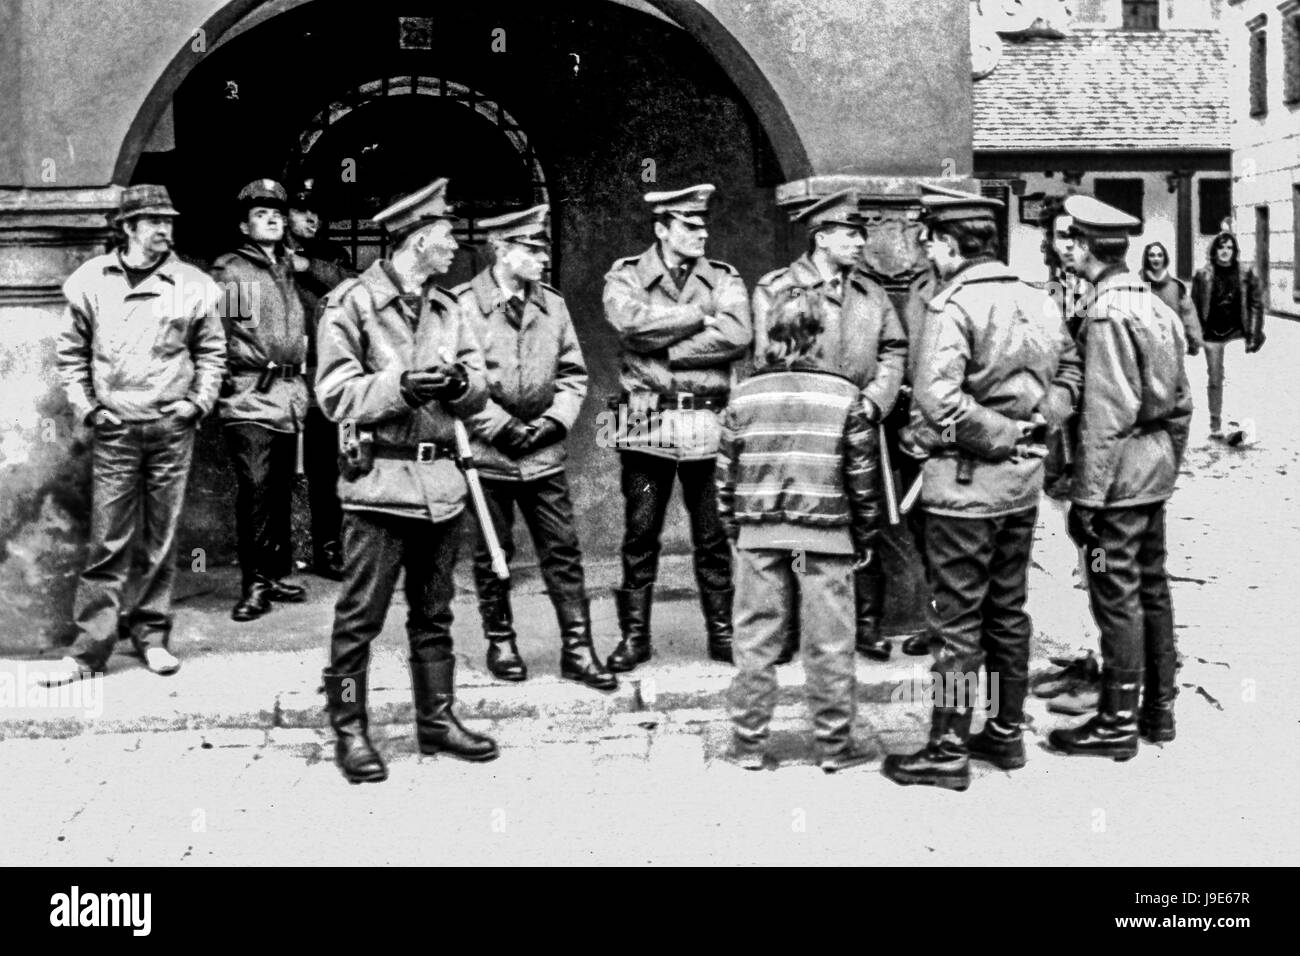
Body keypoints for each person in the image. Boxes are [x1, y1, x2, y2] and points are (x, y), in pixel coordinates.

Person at [882, 185, 1082, 792]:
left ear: (949, 244)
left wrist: (998, 433)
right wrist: (1037, 422)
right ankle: (1004, 733)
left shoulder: (953, 306)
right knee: (1007, 613)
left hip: (963, 491)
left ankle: (947, 747)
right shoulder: (1039, 298)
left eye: (932, 245)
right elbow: (1073, 368)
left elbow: (938, 400)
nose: (928, 256)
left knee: (955, 623)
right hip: (1020, 488)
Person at [315, 177, 496, 784]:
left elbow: (479, 379)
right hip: (379, 483)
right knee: (359, 618)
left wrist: (461, 387)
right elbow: (335, 394)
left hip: (441, 484)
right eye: (445, 236)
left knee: (434, 613)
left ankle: (436, 721)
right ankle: (348, 729)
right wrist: (400, 387)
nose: (454, 247)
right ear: (417, 241)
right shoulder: (351, 304)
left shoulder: (448, 308)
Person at [46, 185, 227, 683]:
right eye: (152, 222)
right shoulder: (91, 281)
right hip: (116, 428)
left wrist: (195, 404)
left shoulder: (190, 282)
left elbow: (212, 352)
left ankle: (152, 637)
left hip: (171, 427)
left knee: (161, 538)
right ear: (127, 227)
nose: (164, 230)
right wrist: (90, 410)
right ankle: (88, 651)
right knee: (108, 540)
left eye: (168, 221)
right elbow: (70, 356)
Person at [1048, 195, 1192, 759]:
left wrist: (1087, 497)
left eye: (1071, 243)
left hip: (1117, 479)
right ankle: (1158, 711)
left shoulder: (1106, 313)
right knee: (1152, 588)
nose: (1066, 253)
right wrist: (1165, 463)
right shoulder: (1158, 307)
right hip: (1150, 471)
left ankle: (1115, 722)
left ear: (1085, 248)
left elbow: (1106, 415)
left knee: (1115, 594)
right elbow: (1180, 405)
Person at [718, 281, 883, 772]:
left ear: (771, 332)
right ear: (819, 334)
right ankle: (834, 747)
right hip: (825, 538)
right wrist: (867, 533)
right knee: (829, 641)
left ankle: (748, 745)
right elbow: (862, 477)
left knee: (754, 639)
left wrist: (733, 528)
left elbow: (725, 474)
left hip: (759, 534)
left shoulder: (743, 396)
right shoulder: (845, 397)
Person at [453, 204, 616, 692]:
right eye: (533, 248)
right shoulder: (461, 305)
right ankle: (500, 641)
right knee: (492, 552)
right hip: (490, 453)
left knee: (563, 552)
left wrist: (552, 423)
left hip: (543, 453)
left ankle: (579, 649)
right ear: (502, 251)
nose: (543, 257)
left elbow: (573, 374)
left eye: (544, 248)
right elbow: (459, 384)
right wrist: (501, 428)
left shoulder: (553, 305)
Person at [751, 190, 907, 663]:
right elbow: (766, 357)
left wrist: (876, 401)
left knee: (866, 519)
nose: (861, 242)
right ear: (822, 237)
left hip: (860, 423)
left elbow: (893, 350)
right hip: (804, 428)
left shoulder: (871, 292)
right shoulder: (776, 288)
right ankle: (790, 627)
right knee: (797, 522)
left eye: (861, 233)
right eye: (850, 233)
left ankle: (866, 626)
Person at [601, 184, 752, 670]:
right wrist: (700, 315)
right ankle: (635, 638)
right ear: (662, 230)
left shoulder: (726, 277)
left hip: (710, 420)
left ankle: (723, 634)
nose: (701, 233)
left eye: (704, 225)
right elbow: (630, 327)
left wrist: (664, 345)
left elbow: (737, 335)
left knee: (712, 535)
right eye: (689, 226)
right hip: (643, 420)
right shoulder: (625, 276)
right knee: (640, 533)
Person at [211, 180, 310, 622]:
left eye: (276, 213)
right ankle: (253, 585)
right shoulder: (234, 271)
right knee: (254, 491)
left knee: (276, 492)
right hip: (251, 395)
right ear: (243, 226)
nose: (271, 219)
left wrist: (303, 262)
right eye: (260, 214)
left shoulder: (289, 266)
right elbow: (221, 335)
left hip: (289, 397)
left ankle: (272, 575)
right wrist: (226, 386)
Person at [286, 177, 355, 580]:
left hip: (319, 381)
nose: (312, 218)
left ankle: (329, 548)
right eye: (301, 211)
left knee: (326, 467)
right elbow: (235, 317)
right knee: (272, 471)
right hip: (272, 383)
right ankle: (276, 555)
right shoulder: (255, 260)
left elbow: (353, 286)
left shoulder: (331, 256)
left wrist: (307, 266)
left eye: (316, 212)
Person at [1190, 232, 1265, 440]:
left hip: (1236, 334)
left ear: (1235, 251)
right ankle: (1215, 423)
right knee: (1215, 378)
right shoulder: (1202, 274)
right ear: (1215, 250)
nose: (1225, 251)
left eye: (1229, 248)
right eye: (1221, 247)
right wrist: (1194, 336)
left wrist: (1255, 332)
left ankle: (1238, 425)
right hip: (1211, 335)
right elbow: (1194, 306)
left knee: (1236, 380)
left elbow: (1256, 304)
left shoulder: (1245, 273)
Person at [1140, 241, 1202, 357]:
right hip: (1146, 349)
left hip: (1172, 349)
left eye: (1159, 255)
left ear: (1165, 258)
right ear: (1146, 259)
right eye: (1152, 255)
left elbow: (1188, 316)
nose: (1156, 259)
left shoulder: (1176, 287)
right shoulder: (1138, 286)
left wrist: (1193, 341)